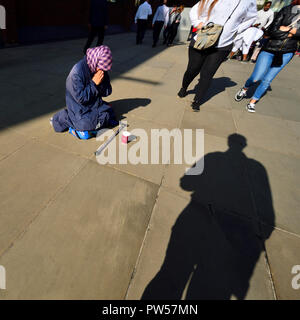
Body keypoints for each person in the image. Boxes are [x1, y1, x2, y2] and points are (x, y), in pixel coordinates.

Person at [177, 0, 257, 111]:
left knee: (207, 74)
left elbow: (252, 17)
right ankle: (184, 87)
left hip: (223, 44)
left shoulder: (248, 2)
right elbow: (196, 9)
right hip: (203, 38)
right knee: (192, 69)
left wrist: (237, 29)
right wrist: (198, 23)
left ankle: (197, 100)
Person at [235, 0, 300, 113]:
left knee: (267, 80)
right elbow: (272, 30)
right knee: (256, 77)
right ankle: (245, 88)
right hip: (270, 48)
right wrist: (291, 31)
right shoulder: (287, 9)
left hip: (287, 52)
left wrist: (287, 29)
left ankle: (252, 102)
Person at [51, 46, 118, 134]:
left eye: (104, 69)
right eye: (101, 68)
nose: (102, 71)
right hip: (79, 108)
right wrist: (94, 84)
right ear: (95, 61)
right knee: (86, 125)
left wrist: (101, 82)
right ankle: (63, 117)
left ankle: (100, 116)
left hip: (94, 105)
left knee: (109, 114)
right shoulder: (76, 74)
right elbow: (81, 98)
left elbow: (108, 91)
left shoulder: (99, 68)